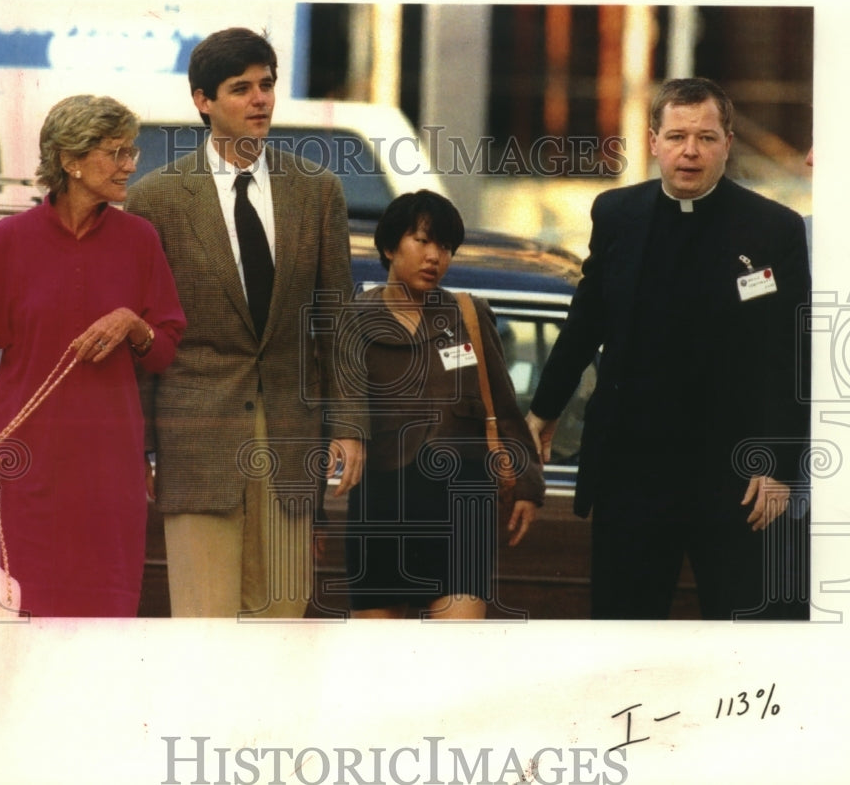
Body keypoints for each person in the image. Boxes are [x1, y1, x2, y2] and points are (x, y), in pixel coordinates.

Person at [525, 78, 811, 620]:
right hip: (633, 474)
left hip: (737, 480)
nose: (690, 151)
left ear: (727, 142)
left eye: (706, 137)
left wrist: (778, 467)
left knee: (743, 636)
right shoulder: (616, 215)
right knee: (623, 633)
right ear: (653, 140)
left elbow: (789, 357)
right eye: (677, 136)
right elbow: (585, 321)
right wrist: (543, 410)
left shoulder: (773, 228)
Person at [125, 27, 364, 618]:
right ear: (203, 100)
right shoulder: (157, 199)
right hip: (195, 442)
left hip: (290, 440)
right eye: (241, 89)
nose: (260, 99)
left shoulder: (317, 191)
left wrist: (351, 424)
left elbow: (336, 319)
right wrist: (141, 449)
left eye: (267, 85)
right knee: (205, 628)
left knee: (282, 625)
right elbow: (146, 338)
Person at [0, 95, 186, 617]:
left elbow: (165, 348)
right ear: (70, 160)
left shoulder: (139, 239)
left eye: (132, 152)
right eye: (115, 153)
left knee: (105, 623)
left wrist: (133, 323)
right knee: (26, 620)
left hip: (109, 471)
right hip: (26, 469)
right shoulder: (11, 240)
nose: (129, 165)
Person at [343, 190, 543, 619]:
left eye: (446, 247)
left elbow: (504, 409)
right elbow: (329, 420)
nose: (435, 257)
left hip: (460, 505)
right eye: (423, 241)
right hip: (381, 507)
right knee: (380, 667)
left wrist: (527, 485)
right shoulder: (354, 320)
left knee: (455, 663)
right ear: (389, 247)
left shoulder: (467, 315)